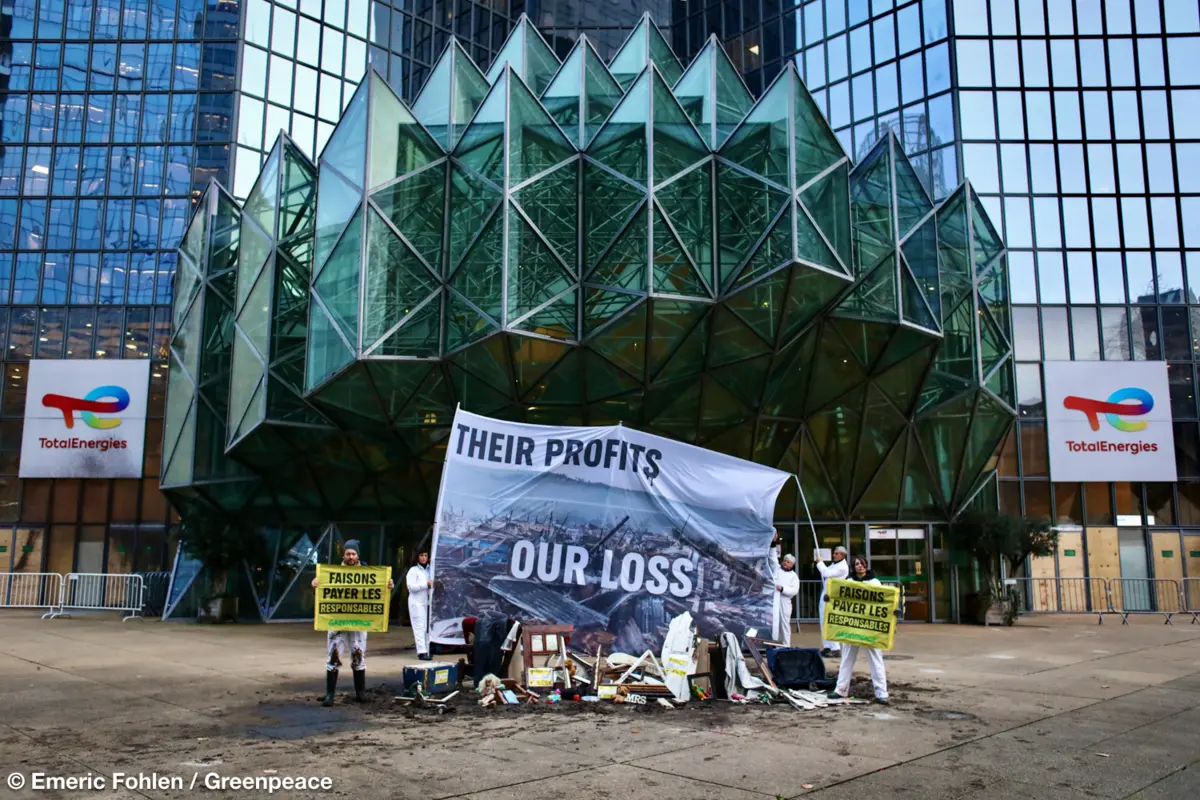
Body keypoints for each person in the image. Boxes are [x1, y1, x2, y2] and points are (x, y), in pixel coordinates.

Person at [311, 539, 393, 706]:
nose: (350, 556)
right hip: (337, 621)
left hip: (359, 621)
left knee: (358, 654)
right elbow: (322, 595)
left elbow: (378, 593)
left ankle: (360, 693)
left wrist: (388, 586)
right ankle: (330, 694)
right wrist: (315, 586)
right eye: (348, 553)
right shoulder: (332, 573)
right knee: (333, 656)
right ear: (343, 555)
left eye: (353, 554)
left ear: (357, 556)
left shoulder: (368, 574)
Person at [826, 555, 890, 705]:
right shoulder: (849, 582)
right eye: (856, 564)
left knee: (876, 659)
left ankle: (881, 693)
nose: (859, 566)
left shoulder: (874, 582)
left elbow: (882, 602)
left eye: (861, 563)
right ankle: (841, 689)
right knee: (846, 659)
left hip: (869, 627)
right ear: (853, 567)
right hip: (851, 626)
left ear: (866, 565)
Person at [815, 545, 849, 657]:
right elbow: (826, 571)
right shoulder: (836, 564)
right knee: (824, 621)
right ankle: (827, 646)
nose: (834, 555)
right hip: (826, 594)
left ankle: (835, 648)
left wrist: (820, 562)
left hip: (833, 597)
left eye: (836, 553)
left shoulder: (842, 567)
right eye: (834, 553)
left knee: (830, 622)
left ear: (842, 555)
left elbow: (826, 573)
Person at [769, 534, 800, 646]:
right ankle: (774, 644)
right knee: (773, 623)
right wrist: (773, 543)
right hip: (774, 600)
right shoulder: (777, 568)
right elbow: (772, 557)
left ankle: (786, 645)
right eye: (785, 561)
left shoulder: (793, 576)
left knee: (784, 624)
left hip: (784, 601)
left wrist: (783, 589)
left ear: (792, 565)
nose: (785, 563)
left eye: (788, 562)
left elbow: (795, 590)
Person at [406, 550, 433, 661]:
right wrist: (425, 584)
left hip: (427, 602)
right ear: (417, 557)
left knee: (426, 627)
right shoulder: (413, 570)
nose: (424, 557)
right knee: (419, 627)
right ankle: (421, 652)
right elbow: (411, 587)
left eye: (426, 555)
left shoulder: (430, 570)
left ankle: (426, 649)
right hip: (416, 602)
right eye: (421, 555)